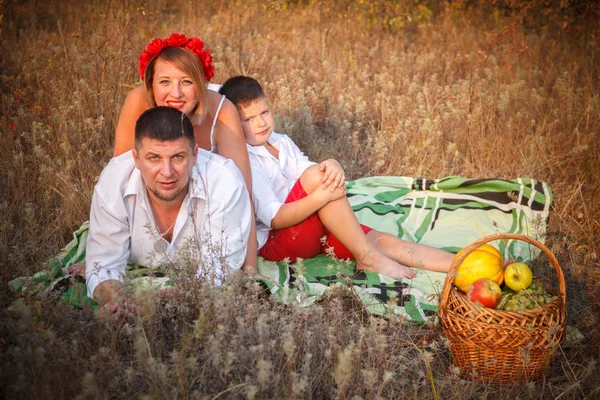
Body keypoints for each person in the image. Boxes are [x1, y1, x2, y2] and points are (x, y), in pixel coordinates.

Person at [219, 76, 453, 279]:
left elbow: (314, 172)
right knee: (318, 180)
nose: (260, 122)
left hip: (313, 227)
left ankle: (461, 264)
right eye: (248, 119)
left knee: (387, 243)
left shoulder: (281, 141)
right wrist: (322, 196)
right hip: (279, 242)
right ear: (232, 124)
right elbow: (275, 218)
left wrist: (333, 163)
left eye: (264, 112)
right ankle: (366, 257)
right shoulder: (246, 159)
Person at [85, 106, 252, 314]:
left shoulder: (224, 182)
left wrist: (151, 301)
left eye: (178, 157)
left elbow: (218, 275)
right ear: (136, 159)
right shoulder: (114, 181)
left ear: (194, 156)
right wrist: (119, 304)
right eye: (154, 158)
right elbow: (102, 267)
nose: (167, 172)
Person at [113, 33, 257, 271]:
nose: (176, 94)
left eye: (187, 82)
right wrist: (99, 256)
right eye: (165, 82)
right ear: (150, 82)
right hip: (152, 209)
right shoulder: (137, 101)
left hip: (206, 211)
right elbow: (117, 180)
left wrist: (251, 271)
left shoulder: (221, 112)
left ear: (201, 83)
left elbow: (245, 193)